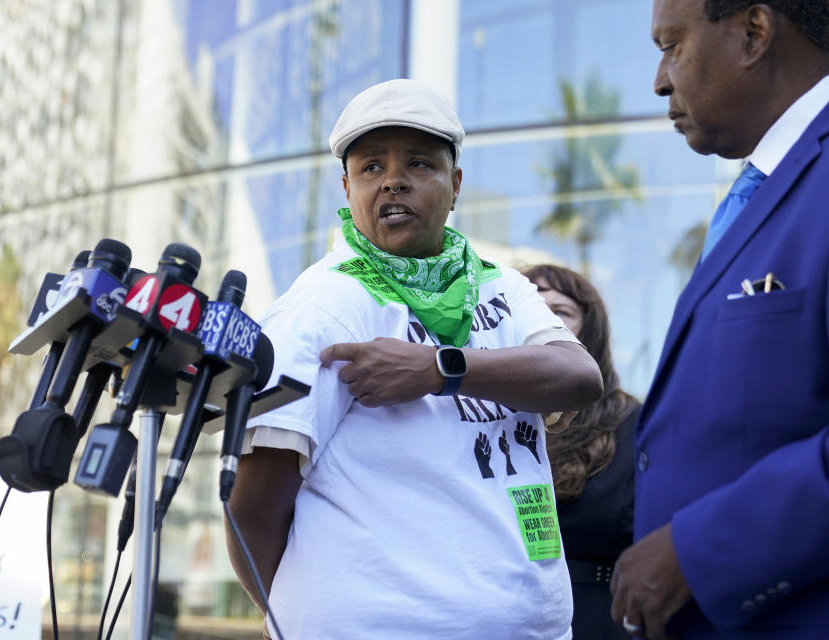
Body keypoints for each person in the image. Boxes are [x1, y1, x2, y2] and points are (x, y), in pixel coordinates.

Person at [224, 78, 603, 640]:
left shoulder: (499, 285)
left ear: (454, 185)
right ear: (347, 185)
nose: (394, 180)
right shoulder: (322, 305)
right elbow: (252, 508)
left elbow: (578, 377)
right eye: (372, 167)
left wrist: (437, 369)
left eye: (419, 163)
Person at [609, 2, 829, 638]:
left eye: (671, 45)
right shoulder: (763, 189)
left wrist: (699, 550)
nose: (658, 79)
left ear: (754, 34)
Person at [524, 264, 640, 640]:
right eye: (530, 308)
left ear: (591, 333)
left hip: (594, 618)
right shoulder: (476, 420)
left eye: (559, 312)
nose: (542, 321)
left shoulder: (634, 423)